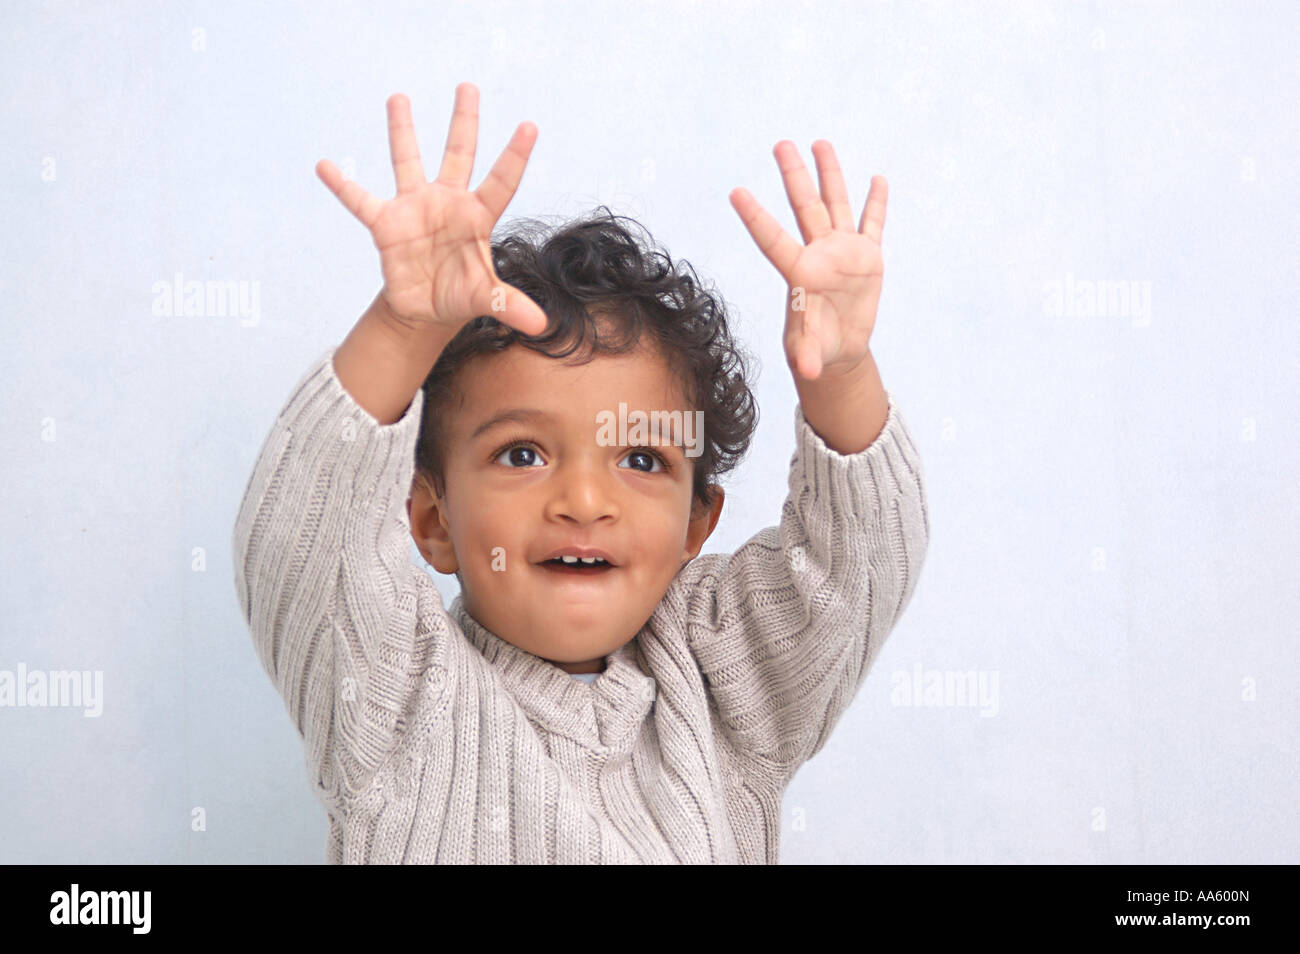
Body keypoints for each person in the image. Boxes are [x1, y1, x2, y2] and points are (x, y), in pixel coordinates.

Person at [231, 82, 929, 863]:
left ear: (697, 521)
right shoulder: (395, 697)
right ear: (432, 521)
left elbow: (850, 569)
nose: (585, 501)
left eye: (641, 458)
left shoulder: (726, 690)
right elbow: (308, 548)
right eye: (522, 454)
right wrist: (404, 328)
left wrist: (840, 373)